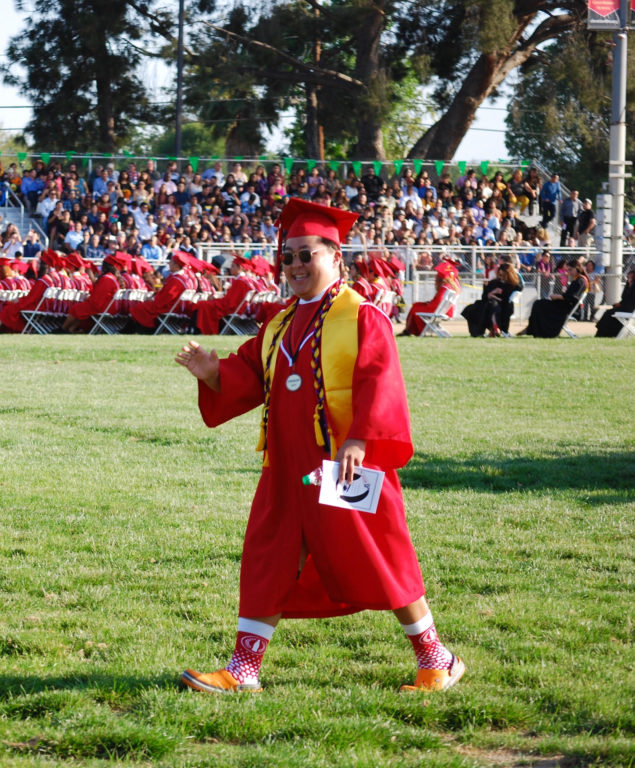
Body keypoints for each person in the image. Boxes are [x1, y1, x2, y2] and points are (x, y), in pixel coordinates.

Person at [175, 198, 464, 695]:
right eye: (286, 257)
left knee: (378, 552)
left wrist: (358, 440)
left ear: (336, 256)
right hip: (287, 465)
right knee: (269, 555)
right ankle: (243, 669)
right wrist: (214, 373)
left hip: (342, 462)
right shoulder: (280, 322)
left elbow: (380, 380)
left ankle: (437, 657)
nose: (294, 266)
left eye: (306, 254)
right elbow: (251, 374)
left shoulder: (361, 317)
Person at [519, 257, 589, 337]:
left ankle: (532, 329)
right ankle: (531, 328)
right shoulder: (578, 280)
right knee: (539, 303)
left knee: (538, 304)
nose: (568, 272)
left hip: (566, 308)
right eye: (568, 270)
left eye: (570, 270)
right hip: (564, 305)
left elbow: (572, 297)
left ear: (577, 269)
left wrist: (557, 296)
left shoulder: (580, 281)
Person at [399, 261, 460, 336]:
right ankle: (409, 330)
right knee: (416, 305)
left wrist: (428, 304)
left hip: (439, 310)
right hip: (444, 310)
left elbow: (436, 304)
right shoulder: (451, 286)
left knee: (415, 309)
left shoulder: (445, 287)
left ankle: (414, 331)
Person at [461, 262, 521, 337]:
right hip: (490, 304)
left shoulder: (513, 285)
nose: (501, 277)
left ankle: (495, 328)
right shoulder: (494, 282)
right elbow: (485, 296)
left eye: (503, 275)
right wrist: (493, 292)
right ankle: (494, 327)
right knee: (477, 308)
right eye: (500, 275)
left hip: (504, 305)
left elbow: (511, 296)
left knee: (495, 307)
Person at [595, 265, 635, 337]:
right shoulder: (628, 286)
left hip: (630, 310)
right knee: (608, 313)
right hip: (624, 308)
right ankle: (602, 333)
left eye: (630, 277)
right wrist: (619, 304)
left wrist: (621, 305)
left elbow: (630, 301)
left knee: (609, 314)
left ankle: (608, 334)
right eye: (628, 277)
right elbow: (624, 299)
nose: (628, 279)